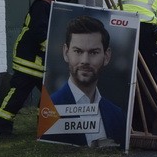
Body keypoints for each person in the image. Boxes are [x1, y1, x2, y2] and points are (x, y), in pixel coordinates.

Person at [0, 0, 78, 137]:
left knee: (51, 95)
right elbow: (39, 32)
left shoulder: (57, 4)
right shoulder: (42, 4)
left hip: (43, 61)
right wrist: (56, 49)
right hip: (29, 60)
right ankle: (2, 128)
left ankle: (45, 125)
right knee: (18, 95)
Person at [49, 15, 128, 148]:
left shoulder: (116, 114)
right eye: (78, 51)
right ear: (66, 52)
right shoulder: (50, 107)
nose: (85, 60)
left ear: (107, 56)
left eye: (93, 52)